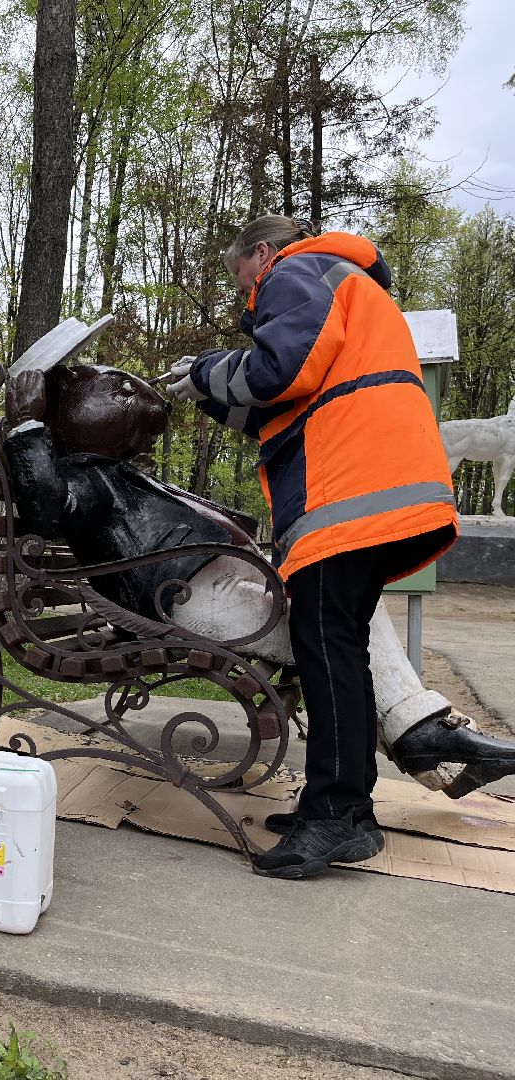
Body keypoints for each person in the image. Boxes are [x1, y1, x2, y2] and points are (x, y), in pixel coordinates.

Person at [163, 214, 512, 878]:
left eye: (240, 276)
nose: (244, 295)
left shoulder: (295, 272)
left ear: (260, 252)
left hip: (351, 492)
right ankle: (339, 807)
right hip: (376, 486)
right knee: (335, 653)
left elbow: (278, 369)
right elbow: (284, 399)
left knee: (330, 656)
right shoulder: (344, 284)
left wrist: (211, 370)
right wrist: (212, 393)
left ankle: (339, 816)